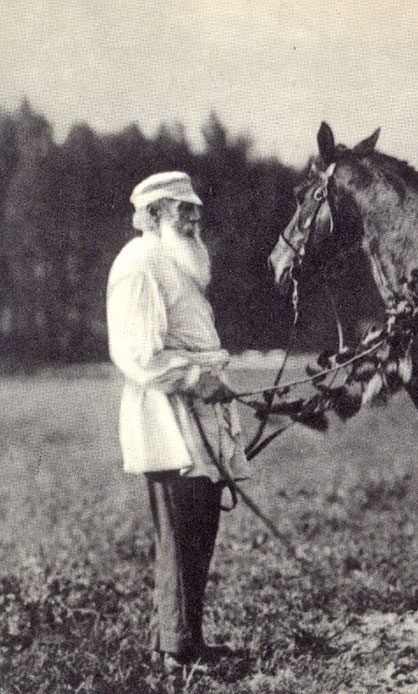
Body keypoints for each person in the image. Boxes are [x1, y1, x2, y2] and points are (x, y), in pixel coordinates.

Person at [106, 171, 249, 673]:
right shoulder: (139, 264)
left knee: (198, 530)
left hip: (199, 413)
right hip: (167, 418)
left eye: (195, 208)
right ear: (152, 216)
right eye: (181, 209)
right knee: (181, 534)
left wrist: (209, 379)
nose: (195, 217)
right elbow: (137, 354)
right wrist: (195, 377)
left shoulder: (175, 262)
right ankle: (177, 652)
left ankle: (183, 642)